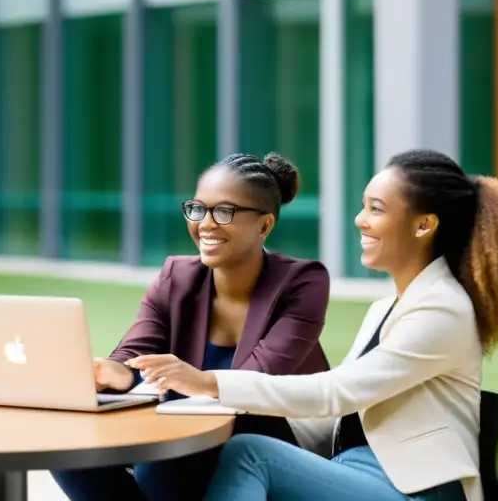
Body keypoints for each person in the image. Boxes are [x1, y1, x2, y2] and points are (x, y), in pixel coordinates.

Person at [129, 149, 498, 501]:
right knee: (243, 449)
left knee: (250, 454)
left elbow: (338, 392)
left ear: (423, 225)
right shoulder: (385, 307)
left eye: (376, 209)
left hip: (414, 489)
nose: (360, 220)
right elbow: (342, 412)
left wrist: (208, 383)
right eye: (363, 206)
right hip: (358, 471)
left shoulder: (442, 309)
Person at [52, 153, 332, 501]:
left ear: (264, 226)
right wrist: (116, 373)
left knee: (167, 453)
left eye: (225, 211)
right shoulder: (177, 276)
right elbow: (136, 349)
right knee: (70, 450)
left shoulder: (303, 281)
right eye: (198, 209)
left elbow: (262, 380)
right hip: (189, 434)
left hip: (273, 435)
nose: (206, 224)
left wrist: (190, 380)